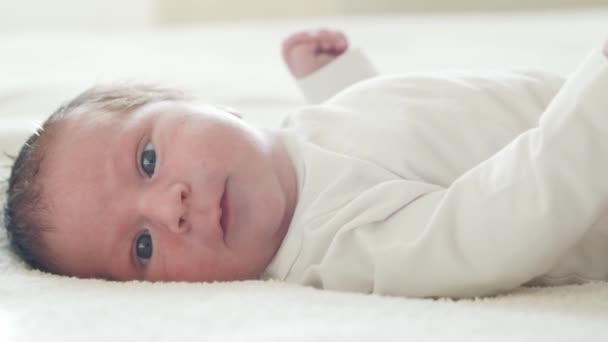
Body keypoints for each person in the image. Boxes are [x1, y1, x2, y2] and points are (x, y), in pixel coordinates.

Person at [4, 29, 608, 298]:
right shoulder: (345, 248)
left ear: (189, 99)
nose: (171, 208)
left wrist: (345, 84)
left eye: (149, 158)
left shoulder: (300, 139)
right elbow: (505, 218)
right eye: (141, 248)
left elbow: (409, 150)